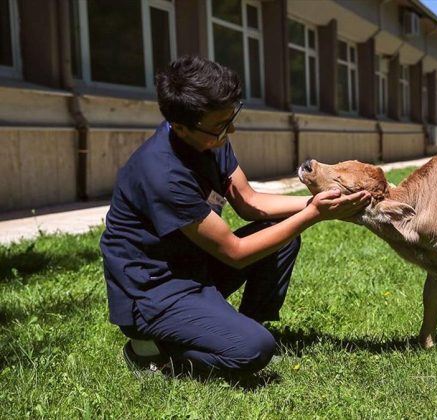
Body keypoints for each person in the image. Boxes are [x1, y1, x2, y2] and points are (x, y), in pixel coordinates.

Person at [99, 55, 370, 377]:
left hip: (192, 265)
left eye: (231, 119)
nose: (231, 130)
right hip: (154, 289)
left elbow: (250, 203)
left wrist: (326, 201)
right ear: (180, 127)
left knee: (280, 236)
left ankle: (246, 324)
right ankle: (149, 352)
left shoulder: (209, 138)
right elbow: (236, 253)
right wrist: (314, 214)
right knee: (253, 351)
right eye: (220, 126)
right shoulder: (163, 173)